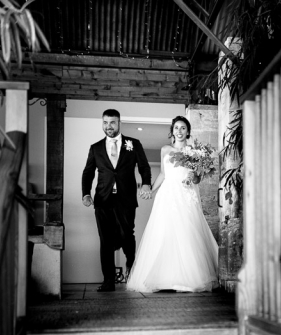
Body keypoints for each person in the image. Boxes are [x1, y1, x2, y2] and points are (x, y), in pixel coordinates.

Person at [126, 116, 219, 293]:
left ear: (188, 131)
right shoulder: (165, 150)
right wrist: (152, 191)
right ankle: (162, 279)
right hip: (168, 194)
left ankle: (186, 278)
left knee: (186, 232)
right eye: (176, 128)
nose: (179, 131)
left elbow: (198, 176)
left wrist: (196, 176)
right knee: (164, 231)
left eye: (183, 128)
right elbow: (163, 173)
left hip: (186, 194)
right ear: (172, 130)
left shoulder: (195, 151)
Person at [82, 109, 152, 292]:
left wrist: (146, 184)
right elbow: (88, 173)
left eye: (112, 122)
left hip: (126, 199)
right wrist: (86, 193)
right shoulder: (96, 147)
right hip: (103, 200)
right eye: (105, 122)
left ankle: (131, 264)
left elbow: (144, 167)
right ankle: (108, 281)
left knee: (126, 235)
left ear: (119, 123)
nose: (108, 126)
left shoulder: (133, 144)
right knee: (105, 240)